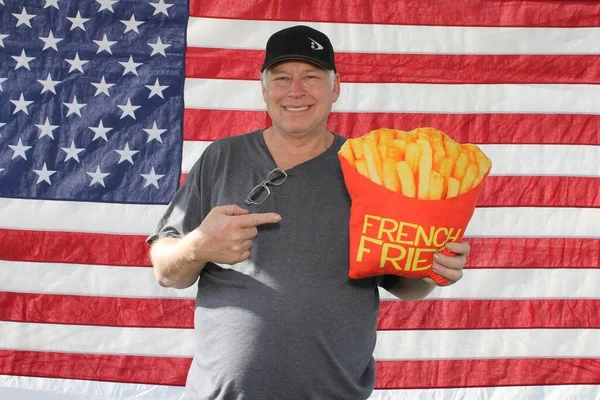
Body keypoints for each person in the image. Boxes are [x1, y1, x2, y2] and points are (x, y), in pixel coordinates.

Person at [147, 25, 470, 400]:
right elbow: (166, 271)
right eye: (281, 77)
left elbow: (406, 286)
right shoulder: (222, 157)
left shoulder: (372, 169)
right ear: (263, 88)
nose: (295, 90)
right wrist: (197, 247)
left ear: (335, 87)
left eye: (312, 77)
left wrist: (431, 269)